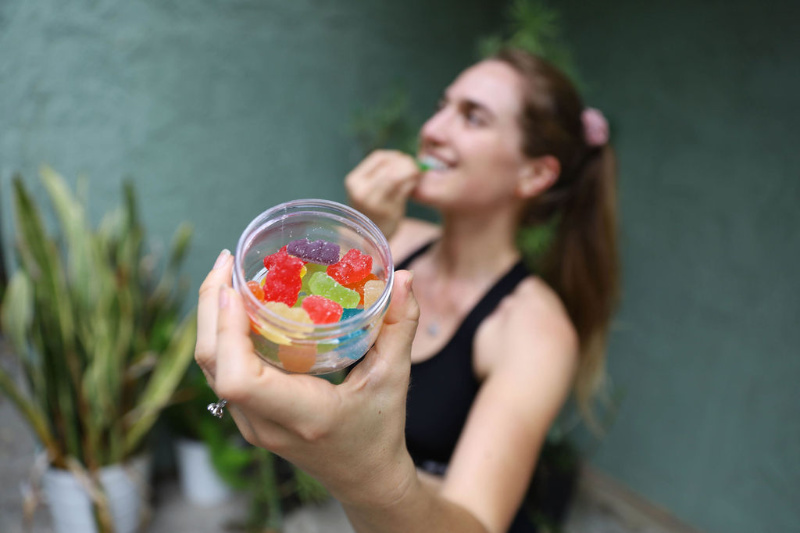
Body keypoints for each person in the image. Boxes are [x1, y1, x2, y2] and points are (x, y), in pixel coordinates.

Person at [195, 48, 619, 533]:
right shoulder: (394, 245)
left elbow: (476, 522)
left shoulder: (535, 329)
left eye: (473, 117)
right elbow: (316, 335)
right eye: (442, 105)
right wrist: (362, 229)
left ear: (534, 174)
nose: (433, 129)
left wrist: (363, 474)